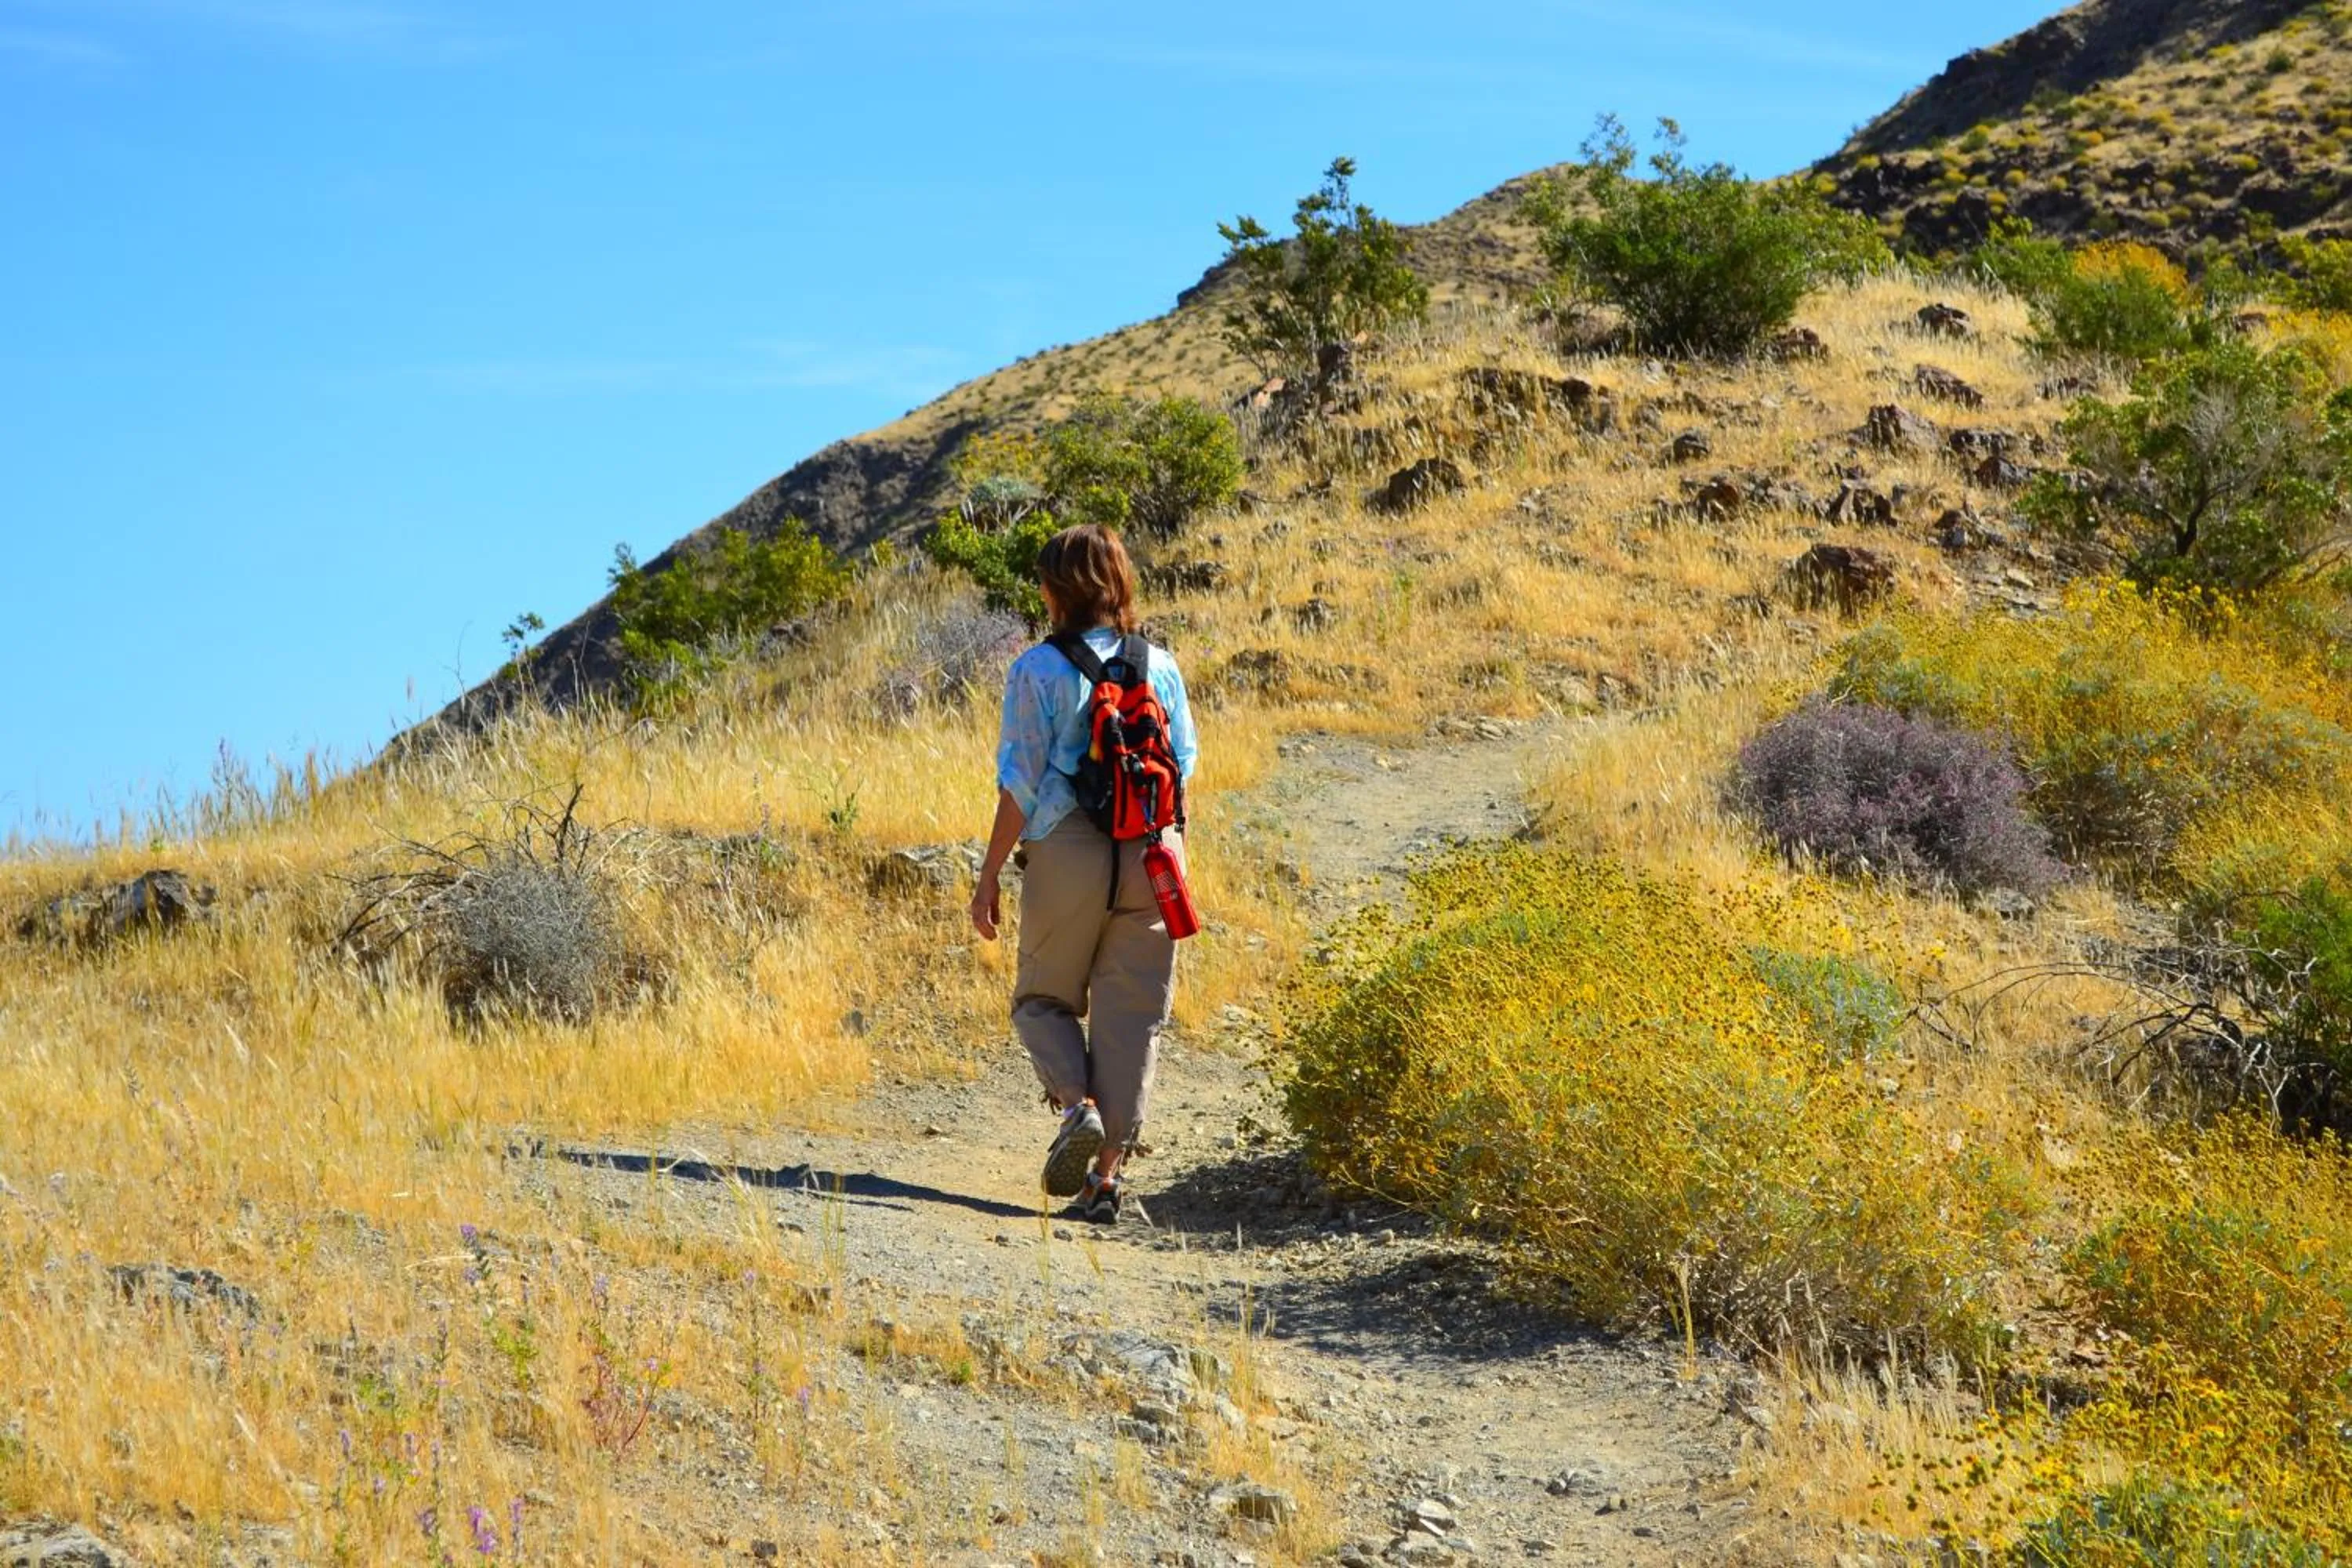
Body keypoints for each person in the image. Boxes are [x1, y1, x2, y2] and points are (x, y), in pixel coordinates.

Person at [968, 524, 1198, 1223]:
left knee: (1041, 1001)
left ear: (1054, 591)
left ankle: (1078, 1107)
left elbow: (1022, 786)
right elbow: (1181, 769)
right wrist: (1172, 858)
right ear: (1118, 583)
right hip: (1152, 851)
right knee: (1133, 1022)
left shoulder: (1037, 669)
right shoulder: (1159, 665)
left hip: (1067, 850)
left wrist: (987, 877)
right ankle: (1104, 1182)